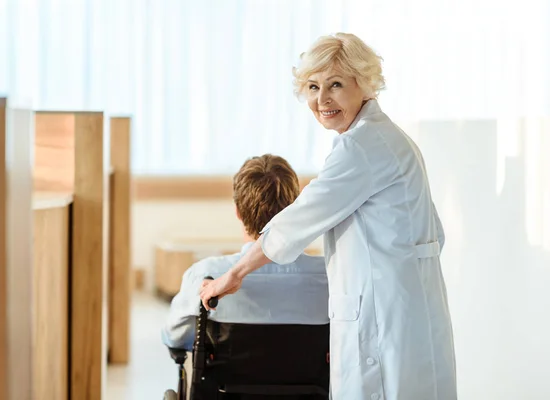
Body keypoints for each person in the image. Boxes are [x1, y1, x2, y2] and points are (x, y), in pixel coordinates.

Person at [200, 33, 457, 400]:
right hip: (406, 312)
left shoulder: (362, 147)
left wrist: (235, 273)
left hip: (383, 321)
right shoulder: (390, 140)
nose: (322, 99)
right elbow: (434, 234)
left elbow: (298, 220)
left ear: (364, 83)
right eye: (313, 86)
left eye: (335, 84)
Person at [161, 154, 328, 350]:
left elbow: (174, 337)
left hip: (226, 379)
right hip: (311, 379)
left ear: (238, 212)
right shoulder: (328, 276)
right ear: (294, 209)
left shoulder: (204, 275)